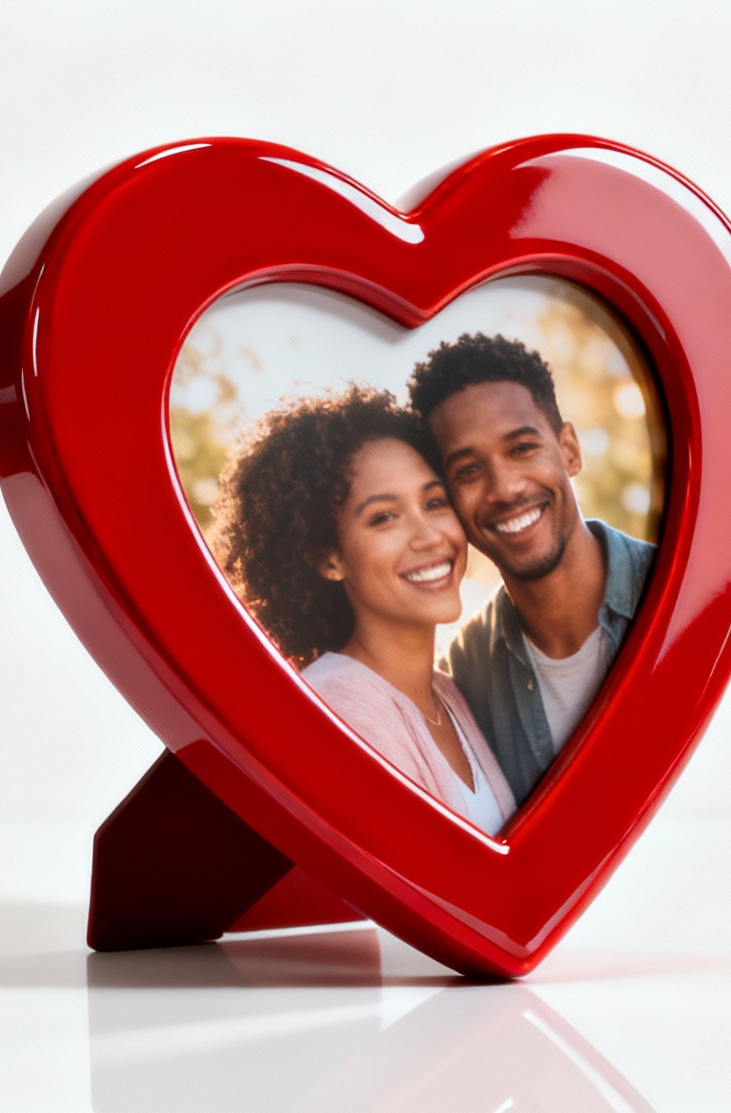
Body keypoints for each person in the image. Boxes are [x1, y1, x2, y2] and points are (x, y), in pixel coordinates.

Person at [214, 385, 517, 836]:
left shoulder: (447, 696)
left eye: (434, 503)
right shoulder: (338, 708)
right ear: (328, 559)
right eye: (384, 517)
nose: (429, 536)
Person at [408, 334, 657, 805]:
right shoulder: (466, 674)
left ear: (569, 450)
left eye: (522, 448)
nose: (504, 488)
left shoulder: (673, 586)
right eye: (468, 471)